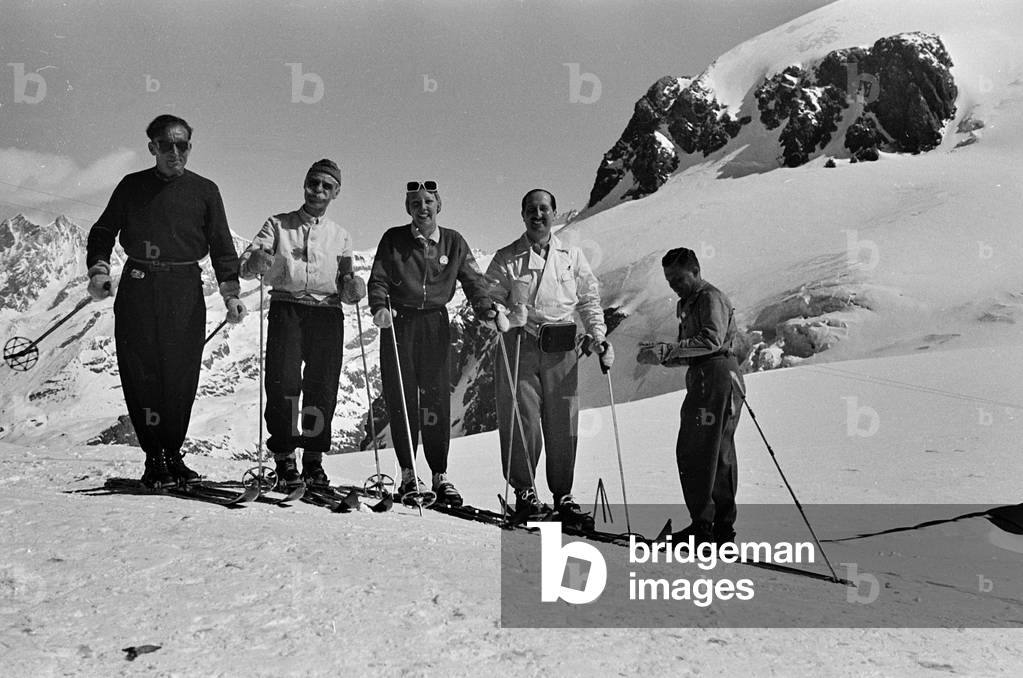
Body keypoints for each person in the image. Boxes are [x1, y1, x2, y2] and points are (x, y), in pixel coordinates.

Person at [86, 114, 245, 489]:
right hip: (139, 284)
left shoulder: (206, 191)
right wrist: (98, 270)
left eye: (182, 145)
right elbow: (104, 229)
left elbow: (222, 245)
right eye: (166, 145)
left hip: (185, 288)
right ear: (152, 148)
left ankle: (172, 454)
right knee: (141, 372)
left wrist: (231, 293)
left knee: (181, 373)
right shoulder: (132, 186)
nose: (175, 152)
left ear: (190, 147)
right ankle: (153, 456)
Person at [485, 188, 613, 528]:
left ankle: (562, 494)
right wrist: (501, 313)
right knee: (522, 418)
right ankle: (525, 491)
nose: (537, 215)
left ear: (554, 214)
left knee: (563, 421)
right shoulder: (507, 258)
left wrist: (598, 335)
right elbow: (489, 297)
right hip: (521, 345)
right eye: (531, 209)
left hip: (563, 347)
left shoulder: (571, 255)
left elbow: (588, 299)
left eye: (543, 209)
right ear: (523, 215)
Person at [367, 181, 499, 507]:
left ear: (438, 205)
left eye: (428, 201)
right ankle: (409, 474)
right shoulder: (393, 239)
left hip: (435, 325)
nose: (421, 207)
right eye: (415, 202)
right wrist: (379, 306)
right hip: (399, 323)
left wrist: (485, 308)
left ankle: (439, 474)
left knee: (437, 397)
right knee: (401, 396)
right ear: (407, 208)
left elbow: (472, 280)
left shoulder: (453, 243)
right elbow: (379, 278)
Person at [239, 159, 365, 490]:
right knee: (284, 384)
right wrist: (256, 261)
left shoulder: (341, 236)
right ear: (304, 185)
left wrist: (353, 288)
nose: (318, 190)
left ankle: (313, 459)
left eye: (326, 186)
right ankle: (284, 457)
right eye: (313, 183)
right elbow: (247, 266)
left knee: (321, 387)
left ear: (336, 192)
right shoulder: (277, 225)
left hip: (327, 313)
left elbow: (347, 280)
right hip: (287, 308)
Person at [637, 247, 743, 545]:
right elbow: (695, 347)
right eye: (669, 279)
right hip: (711, 376)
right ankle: (720, 527)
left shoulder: (709, 298)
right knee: (716, 452)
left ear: (695, 271)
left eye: (678, 278)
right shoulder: (688, 301)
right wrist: (663, 355)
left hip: (715, 376)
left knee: (697, 450)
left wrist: (666, 351)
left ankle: (704, 525)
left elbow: (711, 339)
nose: (673, 284)